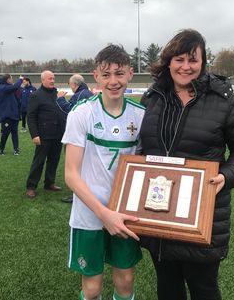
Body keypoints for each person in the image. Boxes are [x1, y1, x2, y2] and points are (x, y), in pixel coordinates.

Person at [139, 29, 234, 300]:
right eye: (179, 59)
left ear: (203, 63)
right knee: (167, 287)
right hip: (158, 213)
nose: (186, 67)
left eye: (193, 60)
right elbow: (139, 150)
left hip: (203, 214)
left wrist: (226, 177)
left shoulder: (223, 99)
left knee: (203, 288)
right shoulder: (152, 98)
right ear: (168, 61)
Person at [62, 45, 145, 300]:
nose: (113, 81)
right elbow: (71, 174)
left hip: (125, 213)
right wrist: (104, 214)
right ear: (95, 76)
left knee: (125, 280)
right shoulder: (81, 113)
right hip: (89, 214)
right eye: (106, 74)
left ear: (130, 74)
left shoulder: (141, 116)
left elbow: (145, 167)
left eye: (119, 74)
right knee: (93, 287)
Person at [25, 70, 65, 198]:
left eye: (53, 78)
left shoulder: (56, 94)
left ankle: (49, 183)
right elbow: (30, 117)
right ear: (43, 80)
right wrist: (34, 135)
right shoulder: (36, 95)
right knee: (39, 161)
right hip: (43, 135)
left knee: (54, 160)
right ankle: (31, 186)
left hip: (57, 134)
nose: (52, 80)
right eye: (49, 79)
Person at [57, 73, 93, 203]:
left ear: (75, 84)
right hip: (89, 134)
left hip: (79, 136)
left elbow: (71, 110)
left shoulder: (80, 95)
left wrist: (60, 99)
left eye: (70, 85)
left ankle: (77, 195)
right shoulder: (87, 93)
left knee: (76, 167)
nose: (70, 87)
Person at [0, 74, 23, 156]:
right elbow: (15, 87)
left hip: (14, 115)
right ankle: (1, 149)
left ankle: (16, 149)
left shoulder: (9, 88)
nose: (12, 80)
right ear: (7, 80)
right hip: (6, 116)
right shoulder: (2, 87)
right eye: (11, 79)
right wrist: (20, 80)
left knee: (15, 133)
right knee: (5, 134)